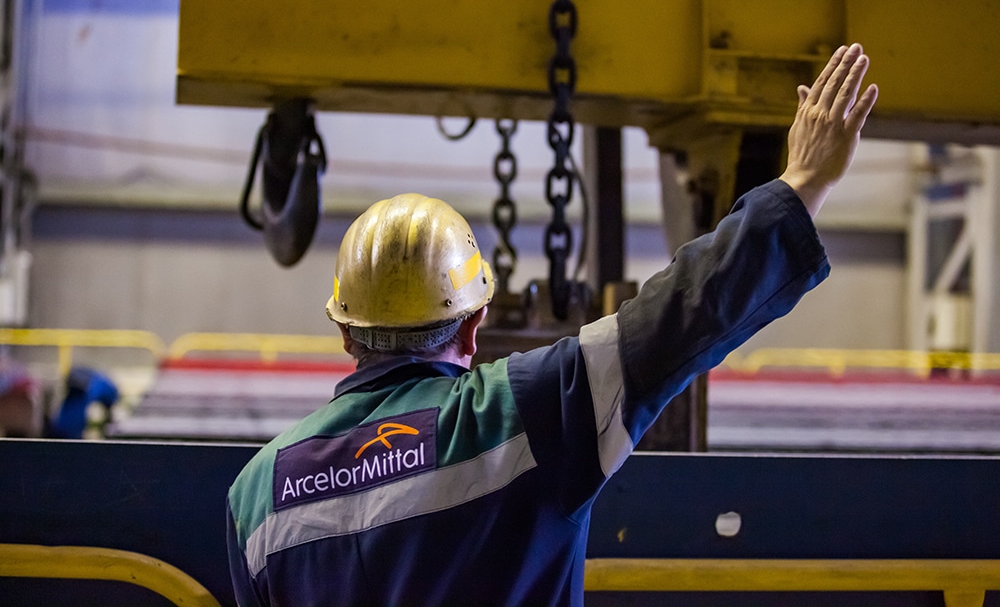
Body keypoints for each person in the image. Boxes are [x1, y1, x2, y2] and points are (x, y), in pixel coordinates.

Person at [226, 43, 878, 606]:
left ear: (346, 332)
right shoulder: (523, 411)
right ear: (474, 322)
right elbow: (684, 310)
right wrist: (801, 182)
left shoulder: (254, 495)